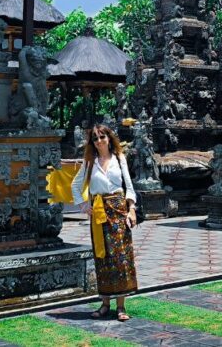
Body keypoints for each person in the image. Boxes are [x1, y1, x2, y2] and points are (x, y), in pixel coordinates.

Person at [71, 123, 138, 321]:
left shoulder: (119, 158)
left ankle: (121, 306)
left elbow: (129, 186)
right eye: (95, 138)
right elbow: (75, 185)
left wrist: (131, 209)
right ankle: (105, 303)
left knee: (121, 257)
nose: (99, 141)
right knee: (103, 257)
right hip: (99, 211)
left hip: (119, 209)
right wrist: (84, 206)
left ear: (109, 138)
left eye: (102, 137)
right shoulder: (90, 162)